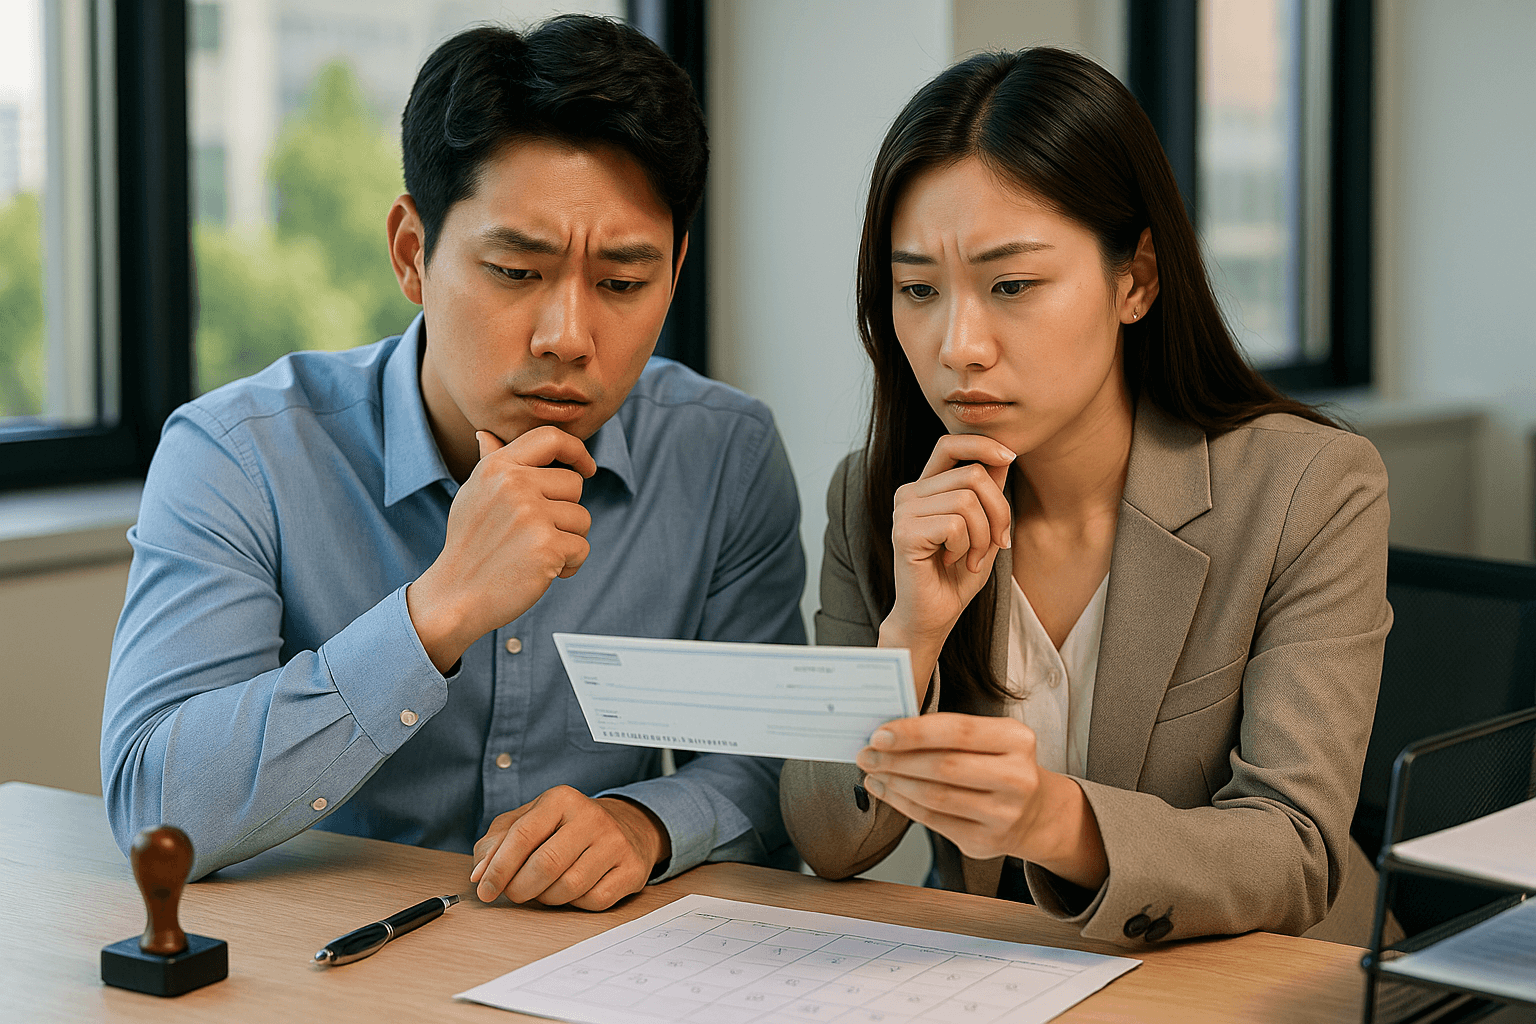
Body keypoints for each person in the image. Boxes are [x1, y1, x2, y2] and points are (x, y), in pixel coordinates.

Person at [101, 16, 806, 910]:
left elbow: (771, 760)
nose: (568, 337)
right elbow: (154, 810)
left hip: (593, 962)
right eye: (516, 270)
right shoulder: (240, 454)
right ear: (412, 252)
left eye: (624, 284)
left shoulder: (724, 454)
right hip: (326, 962)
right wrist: (437, 612)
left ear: (673, 274)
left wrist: (648, 822)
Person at [780, 47, 1391, 946]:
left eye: (1012, 285)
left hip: (1264, 984)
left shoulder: (1309, 489)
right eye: (917, 289)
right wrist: (909, 636)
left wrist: (1051, 822)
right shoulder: (880, 496)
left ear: (1134, 279)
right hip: (1009, 985)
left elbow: (1294, 850)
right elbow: (828, 840)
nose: (960, 345)